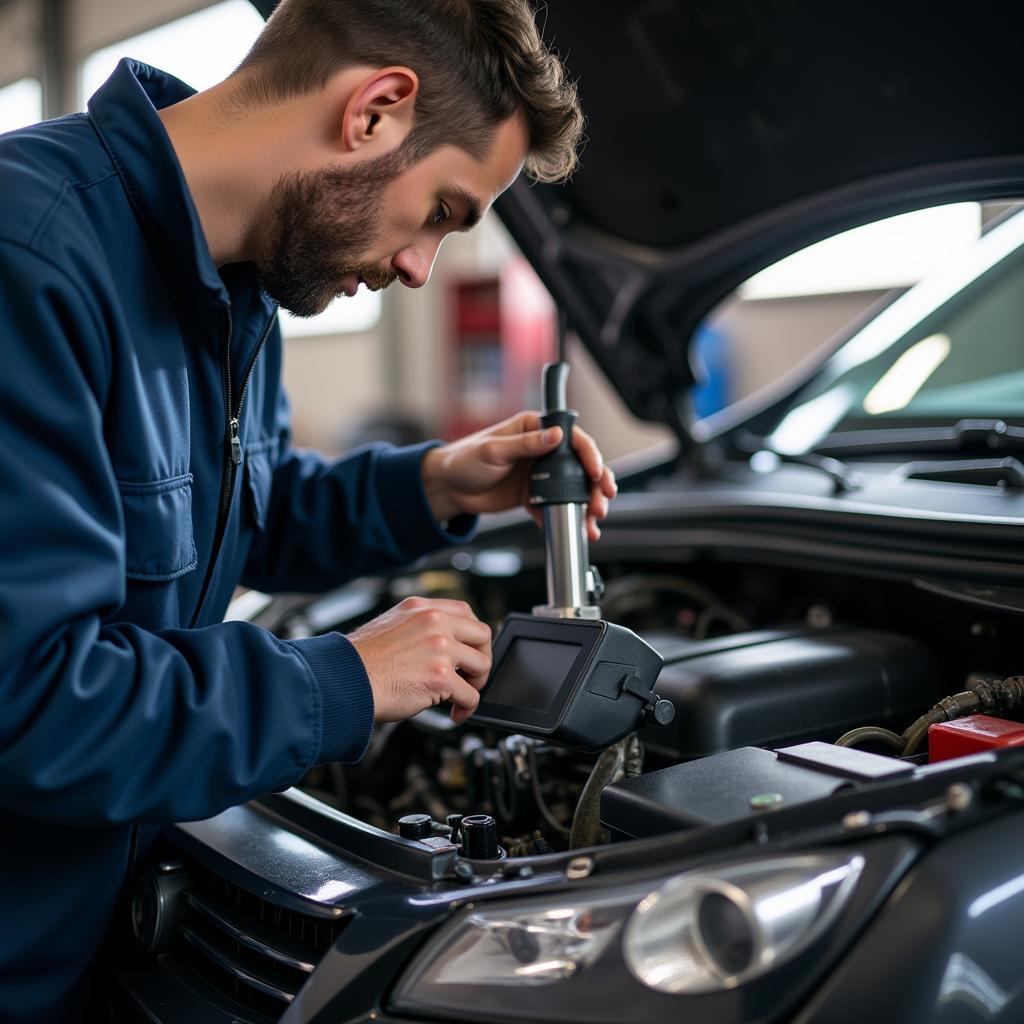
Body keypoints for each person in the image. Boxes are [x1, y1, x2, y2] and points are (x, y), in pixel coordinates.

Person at [0, 1, 607, 1019]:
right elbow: (29, 698)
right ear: (374, 110)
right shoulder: (32, 257)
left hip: (109, 921)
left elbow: (240, 519)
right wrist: (340, 680)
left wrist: (434, 483)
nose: (420, 267)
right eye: (444, 211)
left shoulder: (242, 289)